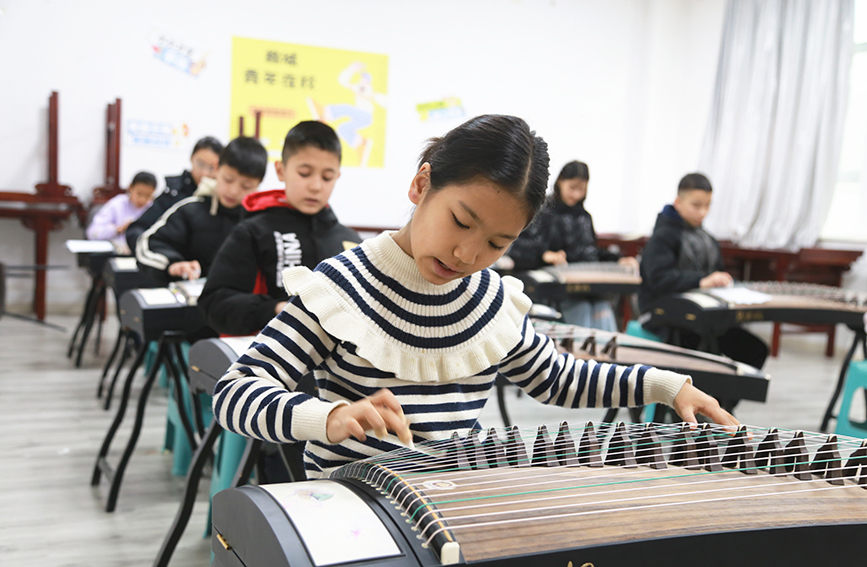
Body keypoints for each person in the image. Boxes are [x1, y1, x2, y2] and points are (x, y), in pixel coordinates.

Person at [211, 115, 736, 480]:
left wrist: (665, 385)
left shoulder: (490, 300)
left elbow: (558, 378)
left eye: (497, 243)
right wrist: (325, 417)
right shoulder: (341, 286)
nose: (467, 254)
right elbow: (234, 392)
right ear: (421, 186)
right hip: (356, 508)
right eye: (461, 221)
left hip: (455, 500)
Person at [198, 121, 360, 337]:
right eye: (304, 173)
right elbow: (214, 304)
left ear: (337, 176)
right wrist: (275, 309)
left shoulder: (350, 241)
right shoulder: (253, 231)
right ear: (281, 170)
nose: (316, 186)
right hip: (267, 351)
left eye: (327, 177)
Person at [638, 172, 769, 372]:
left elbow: (717, 273)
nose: (703, 212)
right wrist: (701, 281)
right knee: (701, 350)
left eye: (707, 205)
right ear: (678, 202)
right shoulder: (662, 237)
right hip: (667, 316)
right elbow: (659, 279)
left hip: (705, 316)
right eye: (696, 205)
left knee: (755, 350)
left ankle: (723, 393)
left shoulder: (707, 238)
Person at [507, 160, 639, 331]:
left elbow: (589, 252)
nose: (576, 194)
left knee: (603, 308)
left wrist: (618, 260)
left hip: (582, 287)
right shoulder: (543, 211)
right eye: (572, 187)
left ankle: (606, 348)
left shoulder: (584, 217)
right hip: (555, 289)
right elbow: (517, 248)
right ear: (560, 182)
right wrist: (545, 255)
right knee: (581, 308)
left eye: (582, 189)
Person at [135, 137, 267, 287]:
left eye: (246, 186)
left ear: (258, 184)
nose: (233, 191)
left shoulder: (261, 221)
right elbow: (148, 245)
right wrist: (172, 264)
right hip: (191, 296)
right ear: (216, 169)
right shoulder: (190, 210)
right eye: (228, 180)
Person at [125, 136, 223, 251]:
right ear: (191, 158)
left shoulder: (223, 197)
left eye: (212, 168)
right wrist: (159, 254)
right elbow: (137, 230)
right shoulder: (174, 192)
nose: (205, 173)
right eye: (200, 164)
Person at [86, 171, 156, 254]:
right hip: (116, 254)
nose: (142, 200)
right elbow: (92, 233)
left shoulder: (153, 208)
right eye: (139, 194)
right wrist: (118, 229)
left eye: (148, 196)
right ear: (130, 187)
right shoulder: (117, 204)